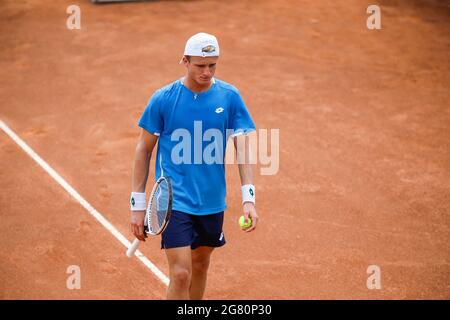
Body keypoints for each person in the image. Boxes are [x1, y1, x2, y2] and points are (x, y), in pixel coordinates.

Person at [129, 32, 258, 300]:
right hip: (174, 200)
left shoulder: (229, 97)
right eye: (200, 65)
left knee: (200, 265)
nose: (207, 72)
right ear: (185, 61)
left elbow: (242, 147)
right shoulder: (164, 98)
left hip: (212, 200)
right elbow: (143, 149)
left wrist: (249, 197)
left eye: (213, 65)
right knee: (180, 274)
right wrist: (137, 205)